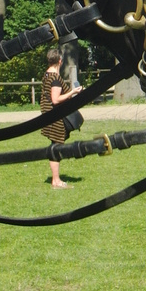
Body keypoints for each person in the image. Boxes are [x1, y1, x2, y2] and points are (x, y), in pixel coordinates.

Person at [39, 48, 82, 188]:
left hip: (48, 114)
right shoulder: (55, 79)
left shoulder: (46, 75)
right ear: (60, 61)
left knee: (55, 145)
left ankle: (55, 180)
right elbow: (56, 99)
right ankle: (56, 181)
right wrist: (73, 92)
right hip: (55, 116)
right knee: (56, 146)